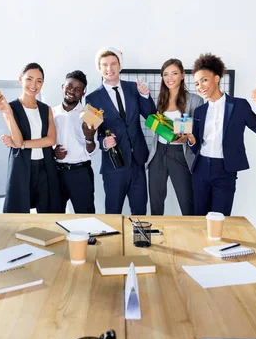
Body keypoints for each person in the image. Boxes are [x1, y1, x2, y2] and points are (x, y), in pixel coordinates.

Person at [187, 53, 256, 216]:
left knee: (220, 220)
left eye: (204, 80)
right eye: (197, 83)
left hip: (225, 170)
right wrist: (191, 140)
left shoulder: (239, 105)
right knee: (199, 219)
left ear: (217, 78)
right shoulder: (200, 111)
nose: (200, 86)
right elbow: (196, 146)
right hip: (201, 169)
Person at [86, 47, 156, 214]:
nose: (109, 69)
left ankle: (139, 241)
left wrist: (145, 96)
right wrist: (103, 142)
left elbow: (151, 116)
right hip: (114, 165)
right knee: (113, 212)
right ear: (99, 68)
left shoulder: (134, 88)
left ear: (119, 65)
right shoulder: (91, 98)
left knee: (140, 213)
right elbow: (91, 134)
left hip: (137, 162)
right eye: (104, 65)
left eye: (113, 64)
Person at [0, 63, 61, 213]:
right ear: (20, 79)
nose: (34, 85)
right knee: (17, 214)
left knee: (50, 213)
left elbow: (51, 140)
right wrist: (9, 115)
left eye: (39, 81)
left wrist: (23, 144)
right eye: (29, 79)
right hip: (22, 166)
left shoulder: (46, 109)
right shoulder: (9, 108)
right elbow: (17, 141)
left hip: (46, 166)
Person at [147, 58, 202, 215]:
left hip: (181, 154)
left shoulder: (195, 100)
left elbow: (198, 132)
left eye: (174, 73)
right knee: (156, 203)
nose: (169, 78)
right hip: (158, 152)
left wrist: (188, 137)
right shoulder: (160, 99)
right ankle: (157, 236)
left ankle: (192, 236)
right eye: (165, 74)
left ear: (183, 75)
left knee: (187, 203)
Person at [52, 70, 98, 213]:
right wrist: (53, 152)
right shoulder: (50, 113)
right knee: (54, 216)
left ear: (83, 93)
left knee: (86, 217)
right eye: (69, 86)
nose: (72, 91)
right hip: (56, 173)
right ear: (62, 87)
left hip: (81, 173)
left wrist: (89, 138)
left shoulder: (90, 114)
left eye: (78, 89)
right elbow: (45, 141)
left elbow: (93, 150)